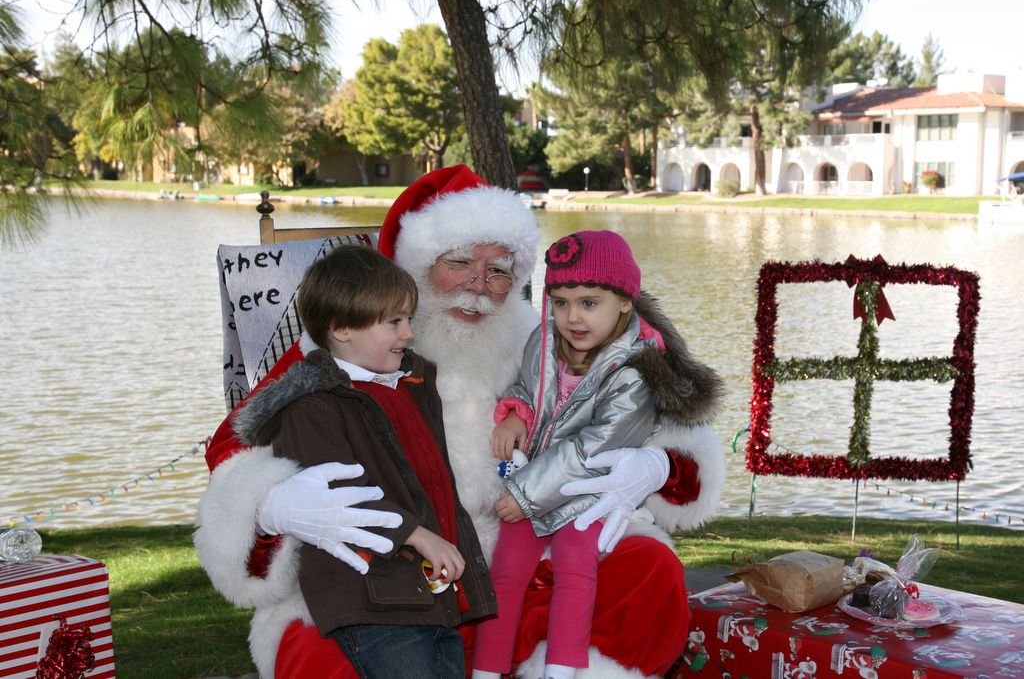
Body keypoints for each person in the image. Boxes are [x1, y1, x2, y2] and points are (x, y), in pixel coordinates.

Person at [195, 164, 727, 679]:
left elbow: (665, 419)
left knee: (648, 572)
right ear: (415, 265)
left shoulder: (549, 338)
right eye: (459, 262)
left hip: (524, 544)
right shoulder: (343, 345)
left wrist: (655, 465)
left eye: (499, 270)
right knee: (320, 654)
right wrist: (272, 504)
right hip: (387, 566)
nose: (478, 285)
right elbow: (231, 447)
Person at [227, 245, 495, 678]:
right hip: (371, 596)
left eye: (408, 319)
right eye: (394, 322)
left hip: (426, 591)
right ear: (342, 327)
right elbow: (336, 498)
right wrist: (418, 535)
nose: (408, 333)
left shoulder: (410, 385)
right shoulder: (312, 406)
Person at [472, 230, 722, 679]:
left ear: (624, 301)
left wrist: (525, 494)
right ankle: (486, 670)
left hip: (590, 490)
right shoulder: (544, 342)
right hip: (540, 483)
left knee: (575, 566)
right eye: (562, 301)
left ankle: (562, 670)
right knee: (506, 572)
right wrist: (516, 413)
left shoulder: (636, 369)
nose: (573, 317)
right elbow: (530, 387)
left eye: (589, 303)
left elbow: (596, 446)